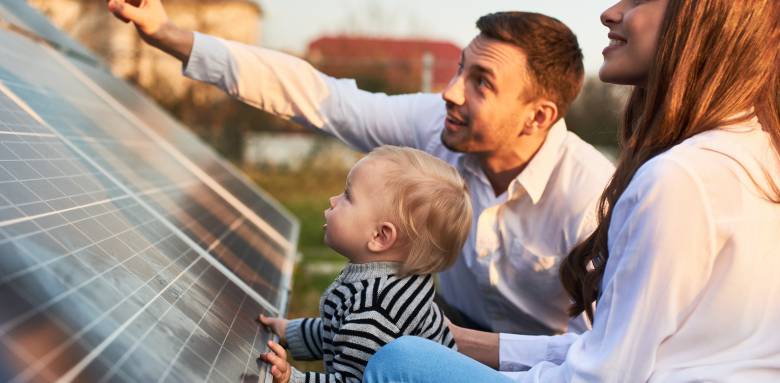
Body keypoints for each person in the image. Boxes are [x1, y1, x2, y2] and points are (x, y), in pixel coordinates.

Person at [105, 1, 616, 335]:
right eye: (461, 67)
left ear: (539, 116)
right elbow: (322, 98)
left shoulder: (591, 199)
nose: (451, 90)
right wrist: (172, 36)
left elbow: (599, 355)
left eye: (481, 82)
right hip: (444, 331)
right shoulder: (437, 124)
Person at [361, 0, 780, 381]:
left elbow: (602, 376)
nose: (610, 12)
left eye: (638, 0)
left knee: (400, 363)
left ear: (702, 20)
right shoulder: (757, 149)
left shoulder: (678, 178)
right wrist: (459, 342)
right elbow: (613, 347)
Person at [254, 145, 471, 383]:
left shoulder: (375, 311)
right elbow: (340, 332)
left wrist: (291, 379)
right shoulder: (385, 283)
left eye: (347, 196)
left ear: (380, 237)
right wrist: (290, 332)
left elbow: (353, 380)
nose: (333, 200)